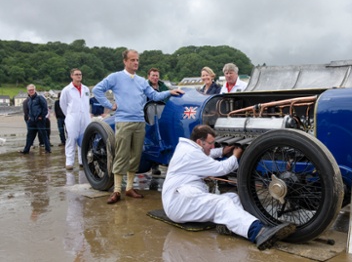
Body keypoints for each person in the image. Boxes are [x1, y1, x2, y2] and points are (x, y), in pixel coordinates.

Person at [161, 125, 296, 250]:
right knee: (222, 203)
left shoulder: (189, 149)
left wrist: (222, 151)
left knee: (232, 197)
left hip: (185, 197)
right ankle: (258, 232)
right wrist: (235, 155)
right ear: (199, 142)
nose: (213, 146)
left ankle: (227, 226)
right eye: (210, 143)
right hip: (179, 202)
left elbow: (206, 154)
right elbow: (220, 169)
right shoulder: (190, 153)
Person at [92, 49, 184, 204]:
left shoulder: (141, 81)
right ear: (125, 61)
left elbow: (154, 95)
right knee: (122, 155)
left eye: (137, 60)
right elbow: (97, 90)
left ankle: (129, 188)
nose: (136, 63)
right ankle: (116, 191)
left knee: (136, 155)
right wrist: (109, 105)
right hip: (124, 121)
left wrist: (170, 92)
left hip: (140, 122)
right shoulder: (116, 77)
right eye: (133, 60)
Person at [60, 68, 91, 170]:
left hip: (85, 117)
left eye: (80, 74)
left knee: (84, 139)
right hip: (73, 117)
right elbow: (63, 104)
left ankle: (82, 160)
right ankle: (69, 162)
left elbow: (87, 103)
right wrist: (69, 115)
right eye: (76, 74)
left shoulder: (86, 89)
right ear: (72, 76)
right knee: (72, 138)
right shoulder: (67, 90)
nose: (79, 76)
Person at [19, 84, 51, 154]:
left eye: (32, 90)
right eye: (29, 90)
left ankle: (48, 149)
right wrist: (29, 118)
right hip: (32, 121)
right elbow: (29, 110)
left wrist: (42, 117)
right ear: (27, 91)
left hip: (40, 120)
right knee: (29, 136)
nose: (31, 91)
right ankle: (26, 150)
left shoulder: (40, 98)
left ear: (35, 90)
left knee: (43, 135)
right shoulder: (29, 100)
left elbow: (45, 108)